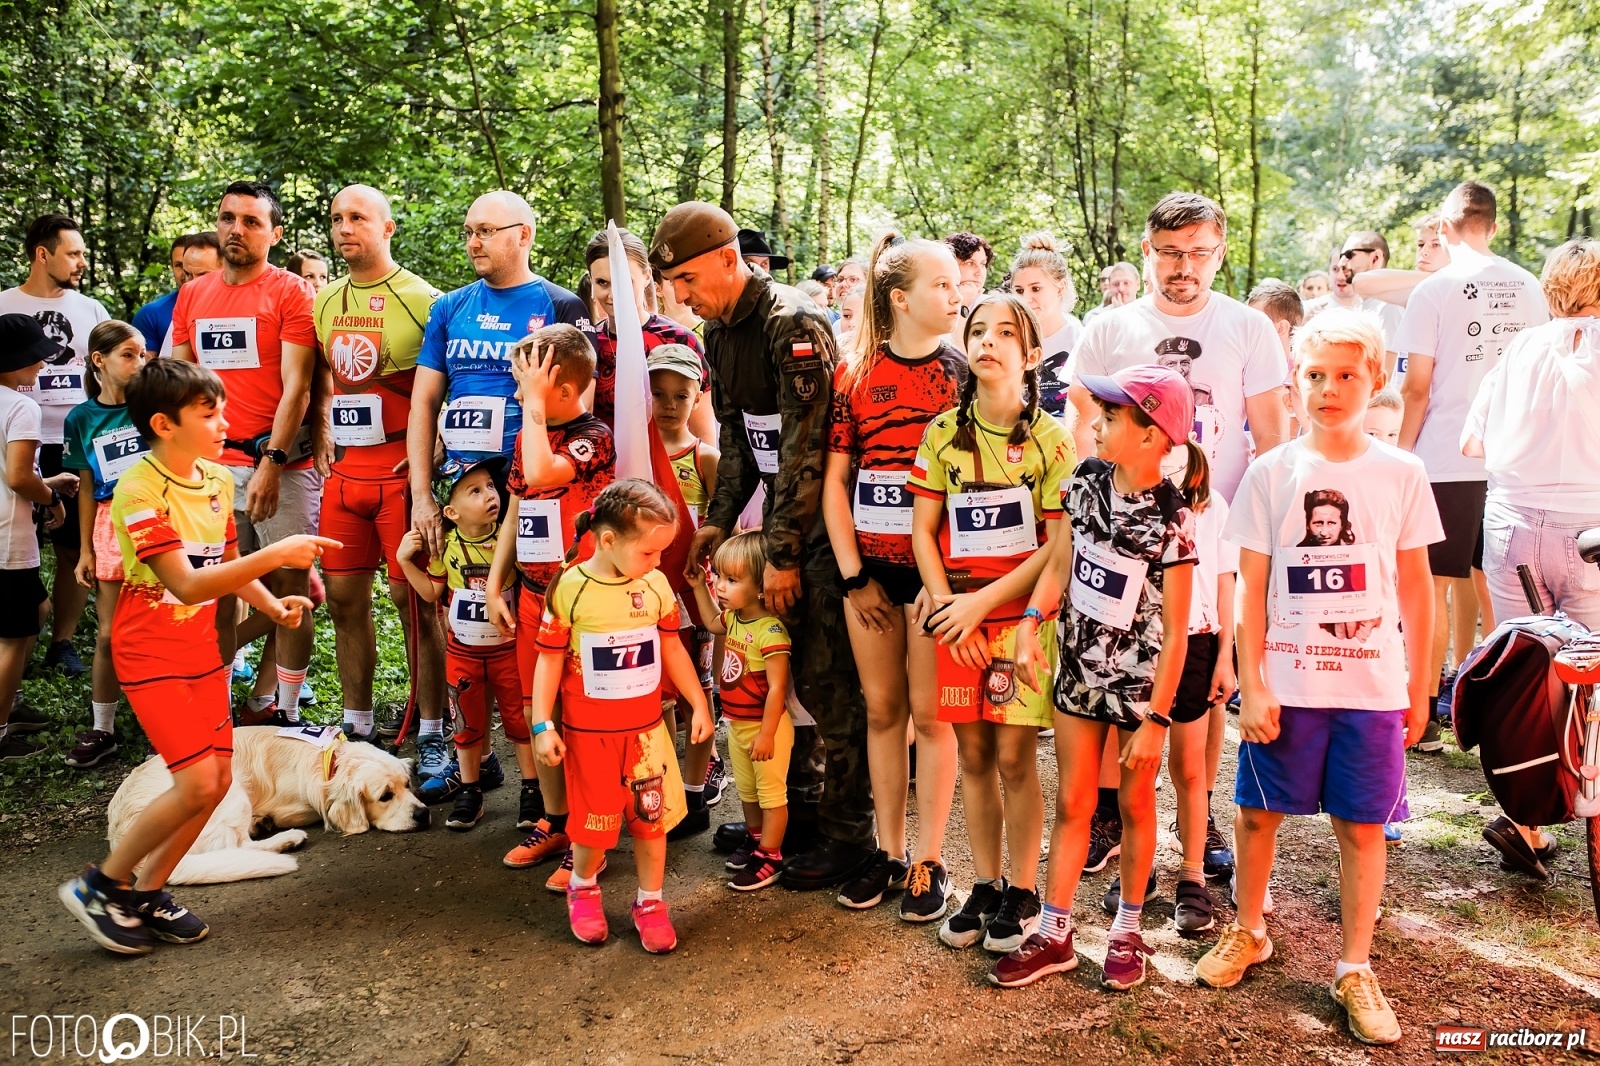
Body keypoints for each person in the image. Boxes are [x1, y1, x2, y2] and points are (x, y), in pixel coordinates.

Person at [1196, 309, 1438, 1045]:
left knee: (1363, 828)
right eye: (1314, 376)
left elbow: (1419, 588)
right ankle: (1249, 927)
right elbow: (1250, 585)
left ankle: (1355, 966)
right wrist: (1253, 681)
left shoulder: (1402, 471)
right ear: (1295, 384)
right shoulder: (1272, 472)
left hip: (1371, 692)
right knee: (1256, 816)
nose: (1329, 389)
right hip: (1288, 686)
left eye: (1345, 375)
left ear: (1374, 379)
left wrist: (1421, 686)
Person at [58, 358, 330, 955]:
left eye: (222, 410)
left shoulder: (212, 478)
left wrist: (271, 602)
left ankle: (148, 891)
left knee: (218, 780)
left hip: (201, 652)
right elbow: (185, 584)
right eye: (209, 414)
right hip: (149, 656)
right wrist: (277, 553)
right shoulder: (136, 490)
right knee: (195, 782)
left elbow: (223, 563)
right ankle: (100, 885)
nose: (224, 422)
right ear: (163, 423)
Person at [651, 201, 875, 890]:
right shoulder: (719, 334)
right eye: (674, 287)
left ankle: (849, 834)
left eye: (688, 280)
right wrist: (716, 523)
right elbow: (740, 439)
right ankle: (795, 810)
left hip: (820, 521)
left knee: (827, 679)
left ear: (728, 257)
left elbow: (807, 446)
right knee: (785, 664)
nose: (683, 297)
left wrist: (782, 554)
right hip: (773, 513)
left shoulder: (792, 324)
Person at [990, 364, 1201, 991]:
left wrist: (1158, 719)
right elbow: (1060, 561)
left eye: (1110, 418)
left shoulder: (1174, 516)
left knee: (1135, 804)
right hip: (1077, 673)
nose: (1095, 424)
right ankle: (1055, 934)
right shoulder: (1083, 480)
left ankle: (1128, 929)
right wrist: (1032, 620)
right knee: (1075, 803)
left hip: (1137, 691)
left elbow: (1179, 632)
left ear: (1151, 434)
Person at [908, 293, 1073, 954]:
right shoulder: (942, 432)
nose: (990, 341)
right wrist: (953, 607)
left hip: (1019, 621)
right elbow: (924, 531)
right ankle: (985, 883)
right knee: (972, 752)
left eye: (1007, 333)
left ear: (1030, 354)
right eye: (978, 330)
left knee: (1012, 754)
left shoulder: (1052, 440)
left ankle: (1025, 890)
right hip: (958, 621)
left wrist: (992, 608)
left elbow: (1057, 547)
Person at [822, 231, 966, 918]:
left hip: (939, 581)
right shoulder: (854, 375)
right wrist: (854, 578)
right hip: (870, 578)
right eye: (941, 285)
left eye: (956, 284)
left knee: (934, 718)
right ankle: (887, 851)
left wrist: (947, 587)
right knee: (883, 711)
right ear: (900, 299)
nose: (955, 293)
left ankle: (930, 862)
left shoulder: (961, 374)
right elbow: (835, 485)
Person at [1462, 237, 1600, 880]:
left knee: (1526, 674)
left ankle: (1526, 821)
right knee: (1590, 678)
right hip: (1591, 527)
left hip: (1513, 522)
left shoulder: (1517, 349)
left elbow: (1471, 442)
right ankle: (1590, 812)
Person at [1395, 181, 1549, 750]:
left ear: (1443, 225)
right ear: (1493, 224)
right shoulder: (1531, 286)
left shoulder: (1434, 289)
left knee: (1431, 584)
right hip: (1511, 456)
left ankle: (1427, 715)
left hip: (1442, 454)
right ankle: (1500, 708)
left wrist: (1400, 454)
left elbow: (1415, 386)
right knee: (1499, 585)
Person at [531, 479, 711, 953]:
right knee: (594, 826)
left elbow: (671, 645)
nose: (658, 563)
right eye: (650, 553)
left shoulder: (655, 585)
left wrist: (698, 701)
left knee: (652, 823)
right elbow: (548, 660)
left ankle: (650, 902)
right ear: (608, 540)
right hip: (590, 736)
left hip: (648, 735)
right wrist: (541, 724)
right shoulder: (571, 588)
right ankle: (584, 887)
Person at [169, 181, 321, 728]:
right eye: (228, 218)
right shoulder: (194, 295)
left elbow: (297, 388)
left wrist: (272, 463)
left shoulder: (290, 293)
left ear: (275, 234)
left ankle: (284, 711)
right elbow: (180, 382)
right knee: (216, 592)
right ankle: (214, 708)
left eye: (252, 221)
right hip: (208, 469)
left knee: (289, 587)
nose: (237, 229)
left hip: (280, 463)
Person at [312, 185, 447, 760]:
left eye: (358, 218)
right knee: (344, 601)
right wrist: (321, 429)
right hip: (346, 477)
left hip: (398, 474)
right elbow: (324, 377)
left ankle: (436, 732)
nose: (346, 228)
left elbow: (450, 376)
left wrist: (438, 443)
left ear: (387, 227)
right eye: (338, 218)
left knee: (414, 602)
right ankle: (358, 725)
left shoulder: (424, 298)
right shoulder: (324, 299)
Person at [486, 325, 615, 883]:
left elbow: (543, 474)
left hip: (583, 604)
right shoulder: (526, 436)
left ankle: (592, 835)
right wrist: (497, 581)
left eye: (525, 383)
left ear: (557, 386)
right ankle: (556, 819)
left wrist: (533, 411)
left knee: (584, 722)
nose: (518, 393)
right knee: (545, 717)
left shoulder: (593, 437)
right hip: (535, 599)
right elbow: (518, 505)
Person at [408, 191, 592, 562]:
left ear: (524, 235)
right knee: (457, 601)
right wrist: (422, 495)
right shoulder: (448, 306)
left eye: (486, 231)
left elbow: (579, 411)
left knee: (529, 604)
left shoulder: (562, 304)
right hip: (463, 488)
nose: (473, 243)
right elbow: (424, 402)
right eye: (469, 232)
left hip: (531, 485)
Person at [1068, 192, 1288, 502]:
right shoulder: (1106, 329)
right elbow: (1081, 434)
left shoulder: (1251, 327)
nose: (1185, 267)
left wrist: (1264, 519)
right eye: (1170, 252)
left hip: (1222, 522)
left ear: (1220, 254)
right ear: (1147, 250)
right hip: (1125, 522)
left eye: (1200, 253)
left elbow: (1272, 439)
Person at [0, 213, 109, 678]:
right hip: (14, 440)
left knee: (72, 546)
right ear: (43, 254)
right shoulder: (4, 304)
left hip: (72, 442)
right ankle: (15, 633)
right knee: (12, 544)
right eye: (74, 253)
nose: (82, 262)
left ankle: (60, 641)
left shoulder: (91, 310)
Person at [394, 457, 521, 831]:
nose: (490, 495)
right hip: (464, 651)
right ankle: (470, 790)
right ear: (451, 511)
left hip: (507, 648)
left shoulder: (508, 535)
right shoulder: (447, 548)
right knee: (466, 722)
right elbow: (433, 591)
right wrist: (405, 562)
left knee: (519, 719)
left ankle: (532, 791)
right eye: (476, 491)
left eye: (492, 487)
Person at [1152, 439, 1236, 933]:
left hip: (1197, 643)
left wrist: (1226, 656)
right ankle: (1135, 871)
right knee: (1139, 764)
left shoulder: (1212, 505)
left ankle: (1191, 874)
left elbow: (1225, 585)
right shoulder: (1122, 494)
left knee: (1189, 767)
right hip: (1138, 644)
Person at [61, 321, 152, 769]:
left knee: (165, 628)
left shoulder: (152, 403)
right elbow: (85, 484)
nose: (139, 362)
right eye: (129, 355)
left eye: (143, 354)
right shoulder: (81, 418)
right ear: (99, 361)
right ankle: (104, 730)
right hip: (108, 524)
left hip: (158, 519)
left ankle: (166, 722)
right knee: (110, 635)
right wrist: (86, 550)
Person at [690, 531, 792, 890]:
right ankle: (755, 838)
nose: (720, 586)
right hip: (738, 726)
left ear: (762, 586)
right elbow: (710, 621)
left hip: (768, 730)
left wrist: (767, 733)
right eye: (719, 576)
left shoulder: (772, 631)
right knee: (748, 793)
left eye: (731, 580)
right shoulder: (733, 618)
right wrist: (699, 587)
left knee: (771, 795)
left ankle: (771, 856)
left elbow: (779, 687)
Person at [0, 315, 71, 760]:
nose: (44, 363)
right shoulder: (20, 406)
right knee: (14, 638)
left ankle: (9, 702)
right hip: (8, 537)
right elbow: (20, 477)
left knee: (38, 608)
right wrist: (53, 498)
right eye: (37, 355)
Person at [582, 227, 713, 443]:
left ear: (647, 276)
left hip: (671, 472)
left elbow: (704, 435)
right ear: (591, 282)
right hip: (604, 472)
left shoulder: (679, 339)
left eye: (624, 281)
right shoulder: (588, 343)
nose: (613, 294)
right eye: (602, 282)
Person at [1008, 233, 1082, 421]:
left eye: (1036, 288)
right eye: (1019, 290)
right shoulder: (1008, 338)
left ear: (1060, 287)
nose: (1025, 298)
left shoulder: (1078, 337)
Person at [1303, 231, 1404, 365]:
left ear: (1375, 259)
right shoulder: (1366, 306)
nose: (1341, 263)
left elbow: (1384, 375)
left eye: (1349, 255)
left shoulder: (1389, 306)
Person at [1247, 280, 1306, 435]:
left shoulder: (1300, 375)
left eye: (1256, 323)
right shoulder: (1245, 365)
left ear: (1281, 328)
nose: (1247, 328)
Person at [1353, 215, 1448, 312]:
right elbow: (1360, 283)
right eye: (1420, 244)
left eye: (1436, 244)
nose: (1424, 251)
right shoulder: (1413, 288)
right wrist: (1436, 278)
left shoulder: (1458, 288)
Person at [131, 235, 198, 359]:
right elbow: (143, 372)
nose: (186, 272)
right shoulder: (151, 314)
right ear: (171, 267)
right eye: (179, 265)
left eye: (193, 265)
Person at [942, 232, 994, 315]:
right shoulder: (930, 302)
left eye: (983, 264)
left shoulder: (993, 306)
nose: (979, 272)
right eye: (969, 263)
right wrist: (962, 303)